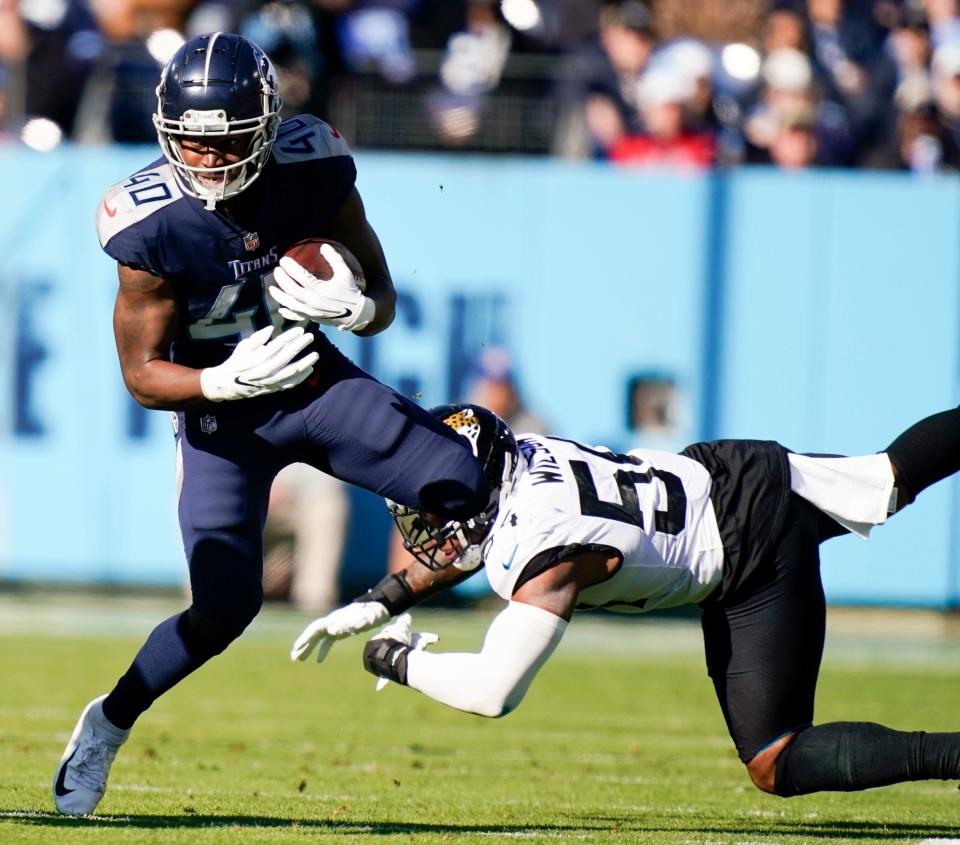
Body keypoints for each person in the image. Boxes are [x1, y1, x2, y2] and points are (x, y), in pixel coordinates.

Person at [52, 31, 489, 816]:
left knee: (468, 481)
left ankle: (402, 621)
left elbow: (382, 294)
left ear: (263, 126)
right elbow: (142, 374)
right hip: (222, 418)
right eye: (190, 142)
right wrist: (217, 380)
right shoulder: (148, 225)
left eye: (224, 144)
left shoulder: (314, 166)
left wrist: (360, 308)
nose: (207, 161)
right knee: (224, 608)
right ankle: (107, 723)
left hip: (312, 384)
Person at [293, 402, 960, 798]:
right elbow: (473, 537)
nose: (425, 524)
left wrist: (395, 659)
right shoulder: (523, 456)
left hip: (742, 552)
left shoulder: (541, 550)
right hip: (731, 469)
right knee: (887, 479)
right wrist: (382, 598)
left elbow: (494, 691)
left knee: (775, 757)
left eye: (434, 504)